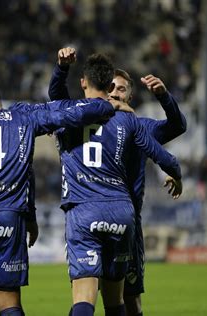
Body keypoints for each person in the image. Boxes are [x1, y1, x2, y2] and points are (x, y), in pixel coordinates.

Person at [0, 86, 131, 316]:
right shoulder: (23, 117)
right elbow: (67, 113)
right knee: (9, 300)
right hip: (11, 218)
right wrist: (108, 105)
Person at [49, 47, 187, 316]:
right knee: (106, 297)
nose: (113, 93)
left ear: (130, 96)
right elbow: (167, 158)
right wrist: (175, 171)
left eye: (121, 90)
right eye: (110, 87)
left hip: (120, 218)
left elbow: (177, 126)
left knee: (124, 299)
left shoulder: (135, 123)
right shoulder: (122, 122)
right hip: (119, 214)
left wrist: (163, 97)